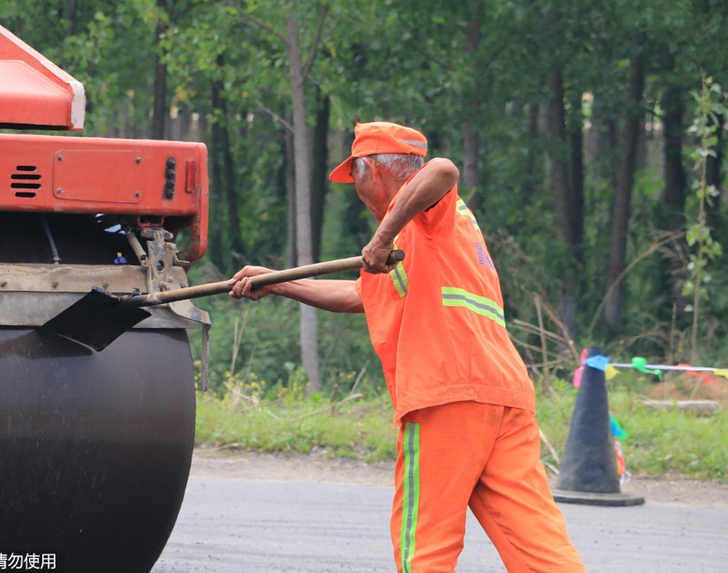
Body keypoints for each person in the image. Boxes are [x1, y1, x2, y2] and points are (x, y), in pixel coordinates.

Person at [228, 121, 587, 573]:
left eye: (356, 178)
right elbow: (359, 295)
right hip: (503, 396)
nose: (357, 192)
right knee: (538, 545)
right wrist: (279, 282)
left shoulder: (428, 214)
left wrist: (381, 237)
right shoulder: (432, 233)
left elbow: (443, 169)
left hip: (446, 397)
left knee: (425, 547)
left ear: (375, 171)